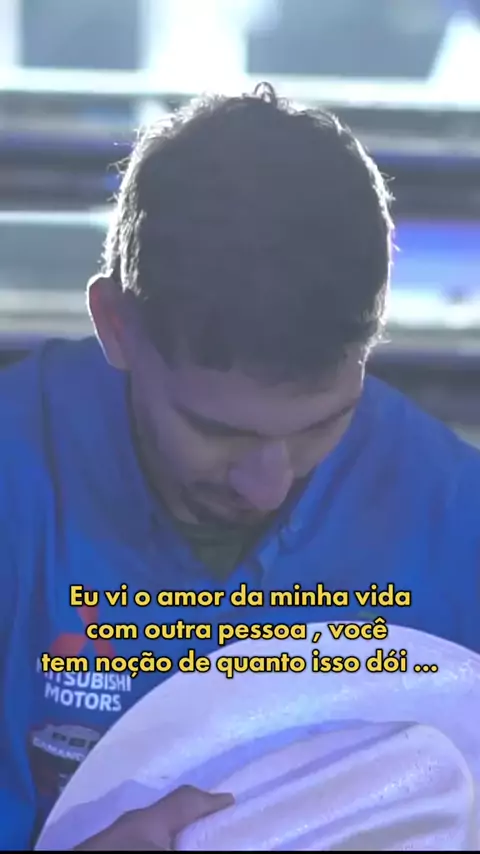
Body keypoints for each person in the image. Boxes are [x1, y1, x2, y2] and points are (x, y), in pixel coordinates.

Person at [0, 82, 479, 850]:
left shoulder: (457, 524)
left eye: (323, 424)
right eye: (215, 431)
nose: (269, 485)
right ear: (116, 325)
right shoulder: (18, 483)